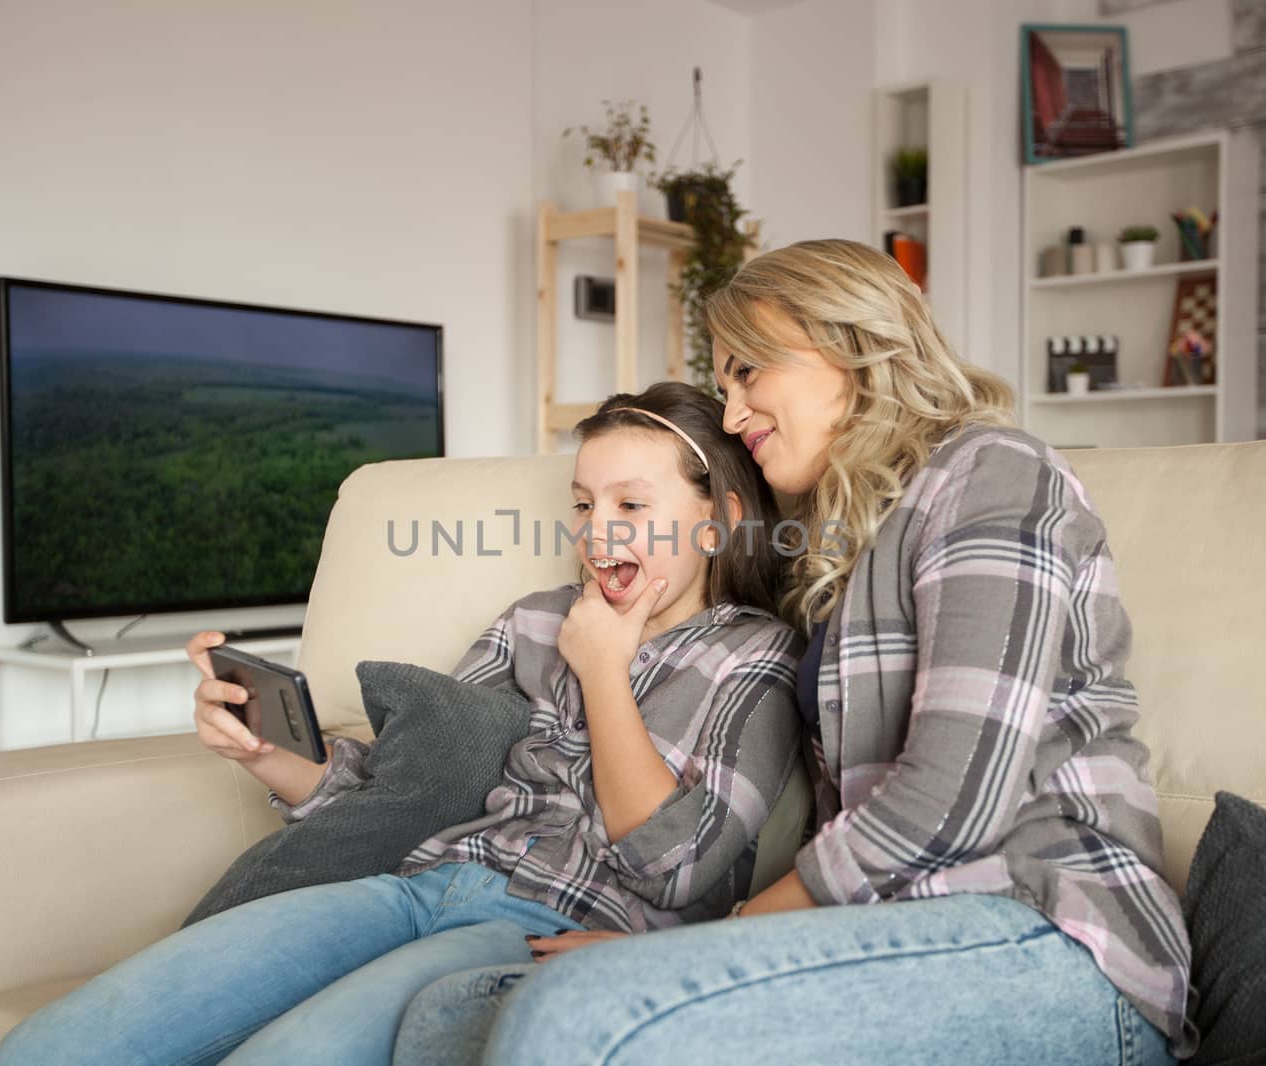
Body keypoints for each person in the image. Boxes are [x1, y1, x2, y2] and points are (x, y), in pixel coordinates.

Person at [394, 239, 1198, 1065]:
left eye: (748, 372)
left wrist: (712, 945)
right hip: (891, 929)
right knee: (448, 1024)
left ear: (851, 347)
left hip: (1047, 929)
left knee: (568, 1016)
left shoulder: (992, 473)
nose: (734, 413)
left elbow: (955, 797)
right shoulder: (842, 549)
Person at [0, 381, 804, 1066]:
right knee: (50, 1048)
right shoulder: (533, 620)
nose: (597, 533)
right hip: (415, 884)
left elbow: (674, 868)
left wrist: (601, 669)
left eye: (632, 504)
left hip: (547, 930)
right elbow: (407, 786)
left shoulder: (752, 657)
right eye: (585, 504)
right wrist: (263, 749)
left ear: (717, 518)